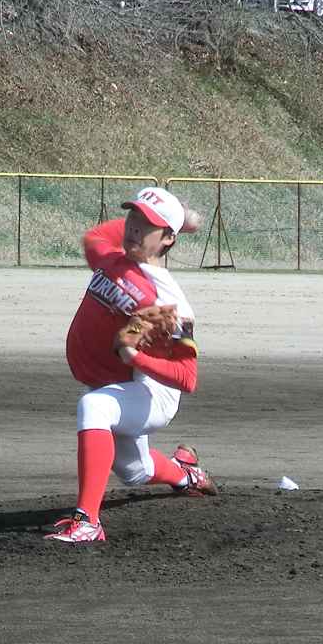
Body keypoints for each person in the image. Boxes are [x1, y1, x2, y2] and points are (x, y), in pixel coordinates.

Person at [45, 186, 216, 544]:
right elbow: (94, 236)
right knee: (135, 471)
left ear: (167, 239)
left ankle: (88, 522)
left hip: (154, 393)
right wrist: (179, 220)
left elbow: (187, 378)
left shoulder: (170, 301)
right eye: (132, 218)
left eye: (147, 224)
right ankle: (186, 474)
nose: (134, 228)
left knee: (94, 407)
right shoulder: (110, 258)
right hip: (120, 383)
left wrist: (133, 355)